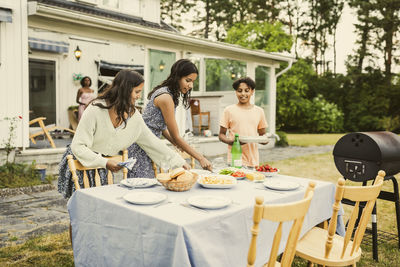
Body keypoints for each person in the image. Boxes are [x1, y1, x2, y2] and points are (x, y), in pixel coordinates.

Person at [58, 69, 188, 198]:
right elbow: (78, 146)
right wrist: (104, 162)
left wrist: (179, 162)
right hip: (81, 161)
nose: (139, 96)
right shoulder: (95, 109)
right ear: (124, 90)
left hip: (102, 167)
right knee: (84, 209)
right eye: (137, 92)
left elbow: (153, 143)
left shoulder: (134, 116)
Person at [127, 59, 212, 178]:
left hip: (150, 143)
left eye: (193, 82)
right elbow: (176, 136)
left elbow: (159, 127)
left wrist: (174, 142)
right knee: (142, 185)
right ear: (177, 77)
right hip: (141, 145)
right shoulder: (166, 97)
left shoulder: (169, 93)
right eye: (188, 80)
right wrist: (201, 158)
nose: (191, 86)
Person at [218, 77, 268, 168]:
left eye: (247, 90)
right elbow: (221, 134)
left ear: (252, 92)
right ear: (236, 92)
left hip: (253, 160)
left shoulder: (259, 111)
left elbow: (263, 136)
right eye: (239, 91)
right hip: (235, 159)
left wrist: (264, 140)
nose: (243, 94)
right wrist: (232, 141)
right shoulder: (229, 110)